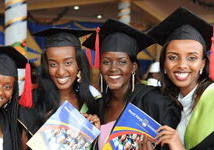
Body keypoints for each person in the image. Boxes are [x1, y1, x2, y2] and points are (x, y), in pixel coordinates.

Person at [83, 19, 181, 150]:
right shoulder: (98, 107)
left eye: (122, 62)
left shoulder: (156, 102)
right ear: (100, 66)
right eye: (106, 62)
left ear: (133, 67)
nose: (113, 68)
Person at [19, 27, 102, 149]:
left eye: (68, 63)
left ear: (79, 64)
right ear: (46, 67)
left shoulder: (92, 101)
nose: (61, 71)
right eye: (53, 64)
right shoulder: (32, 103)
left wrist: (94, 131)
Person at [148, 7, 214, 150]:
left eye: (192, 58)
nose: (182, 65)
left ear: (203, 63)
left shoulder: (212, 100)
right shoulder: (164, 101)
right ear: (164, 63)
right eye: (173, 57)